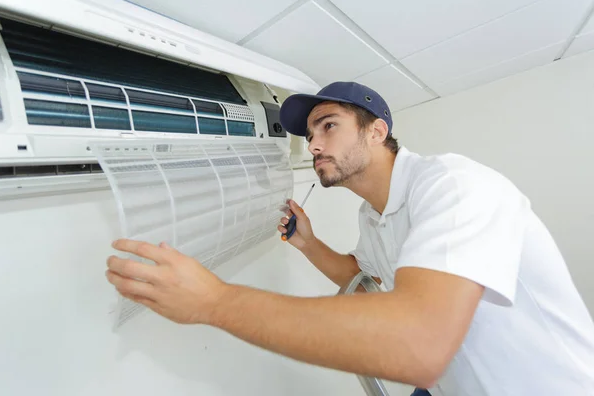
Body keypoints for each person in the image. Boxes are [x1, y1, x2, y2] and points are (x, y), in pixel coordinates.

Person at [105, 81, 594, 395]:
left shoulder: (454, 186)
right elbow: (364, 276)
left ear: (377, 131)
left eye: (328, 126)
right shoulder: (372, 214)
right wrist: (309, 244)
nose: (314, 143)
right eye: (310, 133)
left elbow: (418, 344)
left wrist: (213, 302)